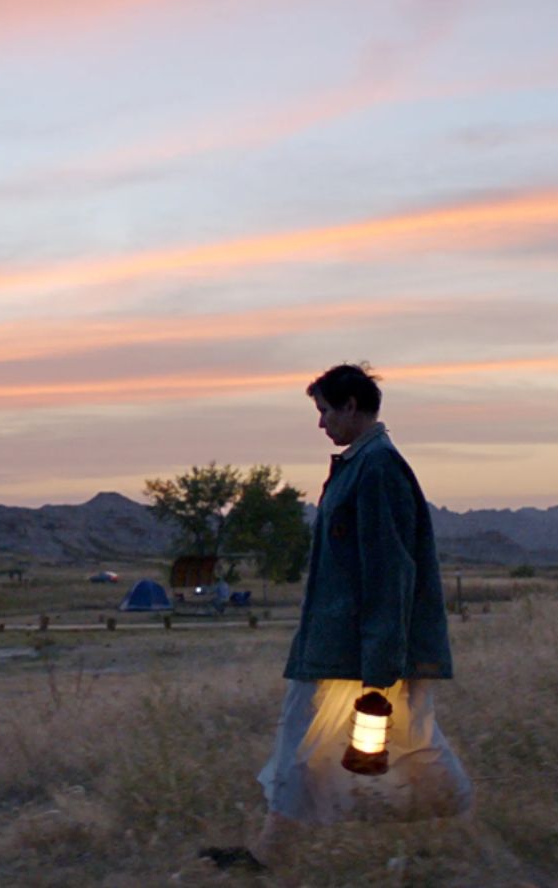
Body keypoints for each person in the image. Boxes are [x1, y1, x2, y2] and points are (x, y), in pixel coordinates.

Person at [208, 363, 471, 873]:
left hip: (357, 647)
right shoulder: (361, 465)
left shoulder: (379, 469)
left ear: (351, 406)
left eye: (326, 410)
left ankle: (457, 833)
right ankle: (268, 855)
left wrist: (380, 665)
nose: (321, 423)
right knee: (303, 742)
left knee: (407, 743)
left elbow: (390, 570)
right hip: (338, 640)